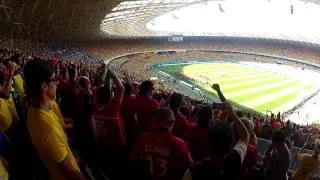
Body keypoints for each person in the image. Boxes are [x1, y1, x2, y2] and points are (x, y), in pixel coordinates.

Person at [23, 59, 86, 180]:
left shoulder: (34, 109)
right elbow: (70, 173)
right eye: (54, 79)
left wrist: (72, 156)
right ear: (44, 86)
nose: (57, 82)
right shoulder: (47, 127)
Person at [183, 84, 249, 180]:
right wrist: (232, 114)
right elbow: (244, 136)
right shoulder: (235, 159)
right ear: (231, 144)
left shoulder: (193, 171)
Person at [131, 108, 193, 180]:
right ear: (172, 122)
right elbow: (190, 165)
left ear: (155, 121)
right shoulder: (179, 144)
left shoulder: (142, 138)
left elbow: (133, 159)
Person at [93, 68, 126, 179]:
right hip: (116, 145)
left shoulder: (95, 107)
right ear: (110, 97)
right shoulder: (112, 109)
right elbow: (121, 88)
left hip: (100, 143)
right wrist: (111, 72)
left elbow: (98, 89)